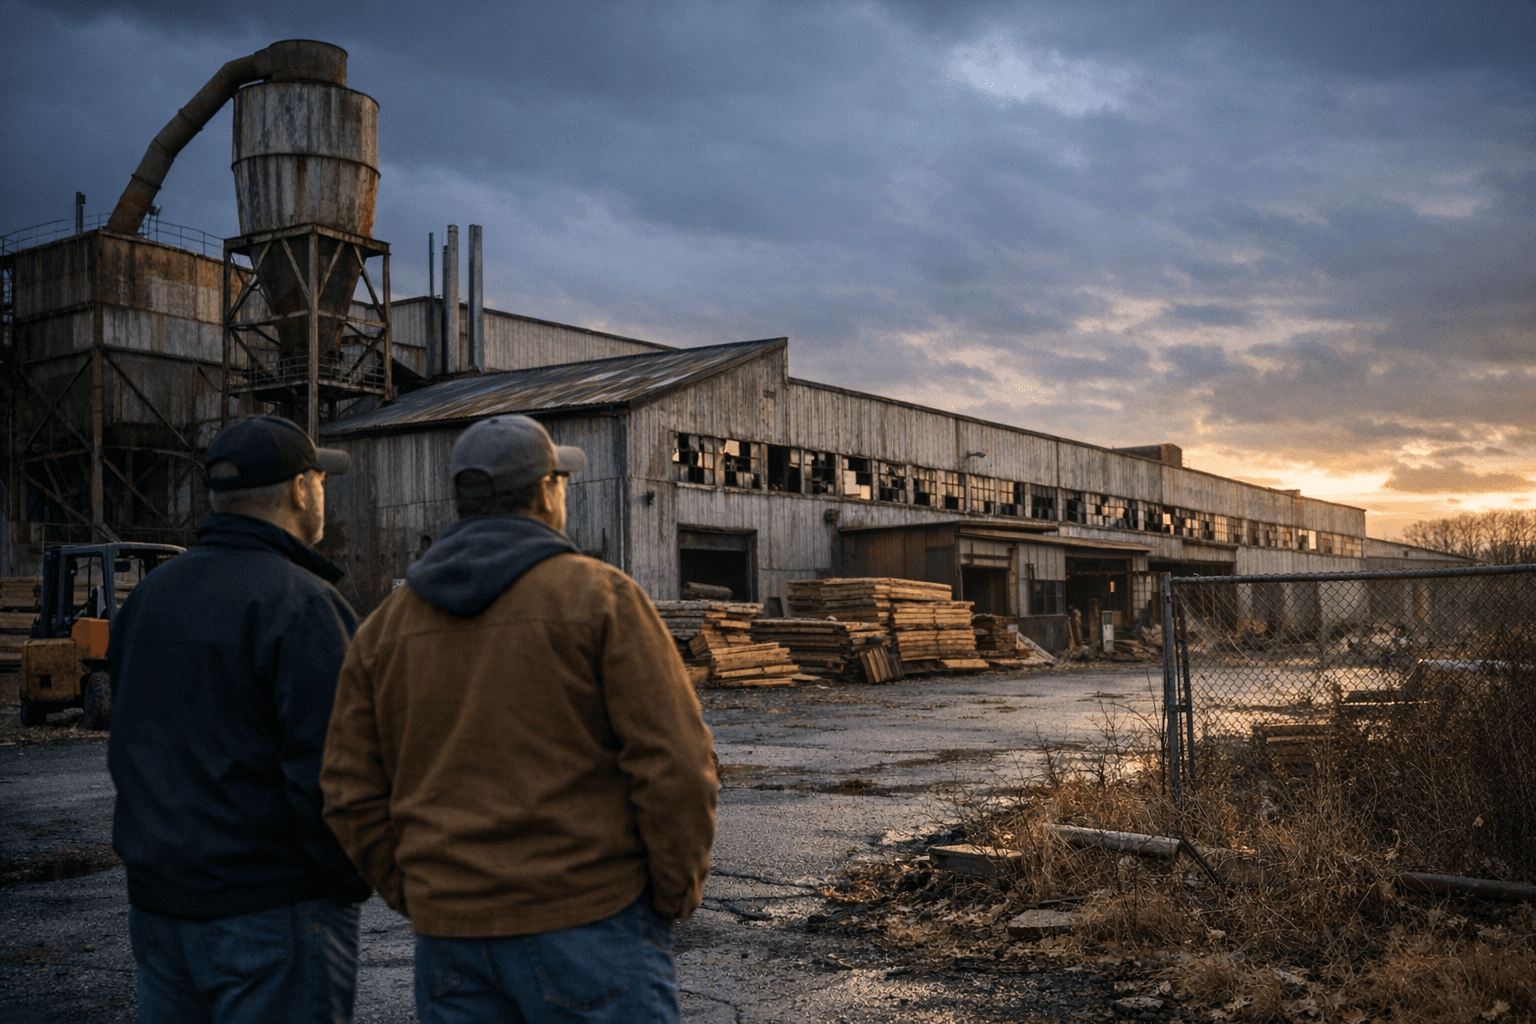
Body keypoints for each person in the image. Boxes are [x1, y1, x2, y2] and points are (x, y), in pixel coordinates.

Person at [321, 414, 718, 1024]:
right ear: (546, 491)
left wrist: (421, 892)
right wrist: (674, 892)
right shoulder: (600, 598)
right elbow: (677, 765)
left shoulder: (385, 627)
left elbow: (348, 789)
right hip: (590, 921)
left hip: (452, 939)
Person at [107, 415, 369, 1024]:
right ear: (300, 489)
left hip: (161, 912)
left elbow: (130, 745)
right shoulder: (303, 604)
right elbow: (334, 774)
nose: (322, 493)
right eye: (320, 480)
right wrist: (349, 879)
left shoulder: (147, 600)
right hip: (271, 913)